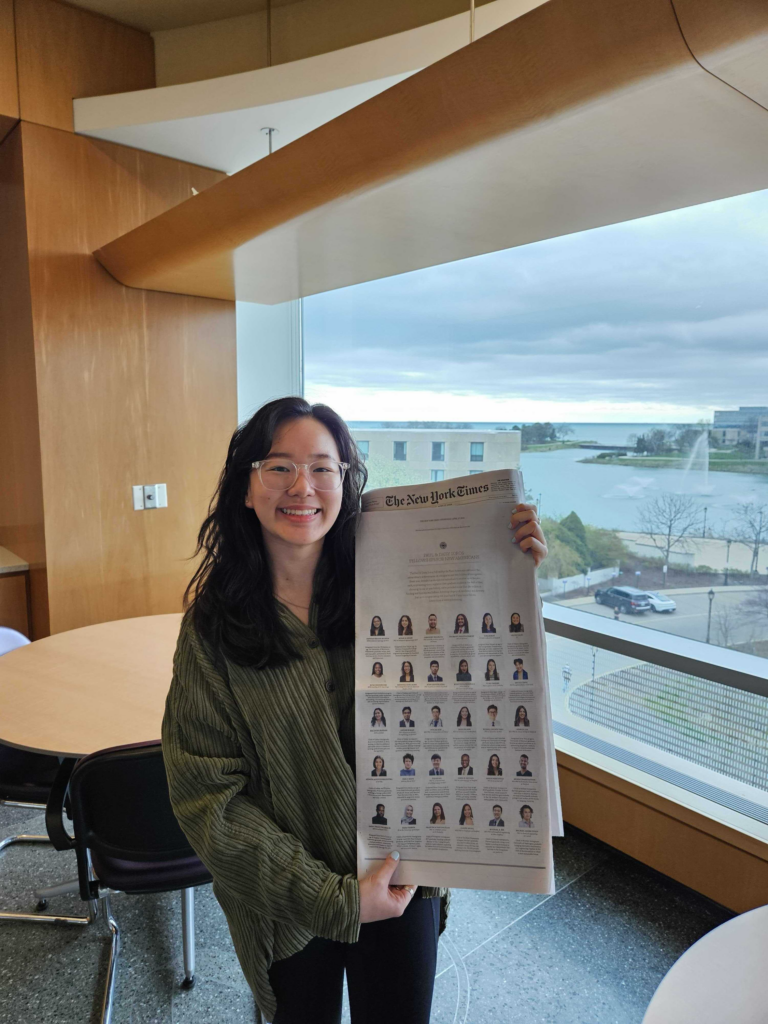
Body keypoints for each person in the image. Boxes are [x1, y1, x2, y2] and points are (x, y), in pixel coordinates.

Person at [161, 396, 548, 1023]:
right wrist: (334, 898)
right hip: (288, 904)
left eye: (322, 467)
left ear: (345, 481)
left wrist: (511, 575)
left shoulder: (397, 587)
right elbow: (210, 800)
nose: (302, 487)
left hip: (405, 873)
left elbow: (481, 682)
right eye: (279, 467)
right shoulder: (212, 631)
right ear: (245, 487)